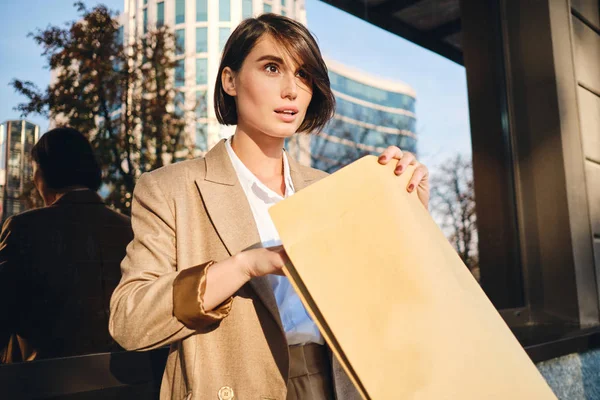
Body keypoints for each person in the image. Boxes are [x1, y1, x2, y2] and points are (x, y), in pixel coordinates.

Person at [109, 13, 429, 400]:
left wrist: (409, 217)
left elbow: (390, 310)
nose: (292, 90)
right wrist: (244, 265)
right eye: (272, 68)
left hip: (338, 386)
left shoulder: (328, 190)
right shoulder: (170, 189)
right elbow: (130, 321)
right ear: (230, 80)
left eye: (304, 75)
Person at [0, 127, 133, 363]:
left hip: (41, 383)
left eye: (34, 170)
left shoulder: (23, 228)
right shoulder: (131, 228)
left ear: (44, 172)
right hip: (129, 381)